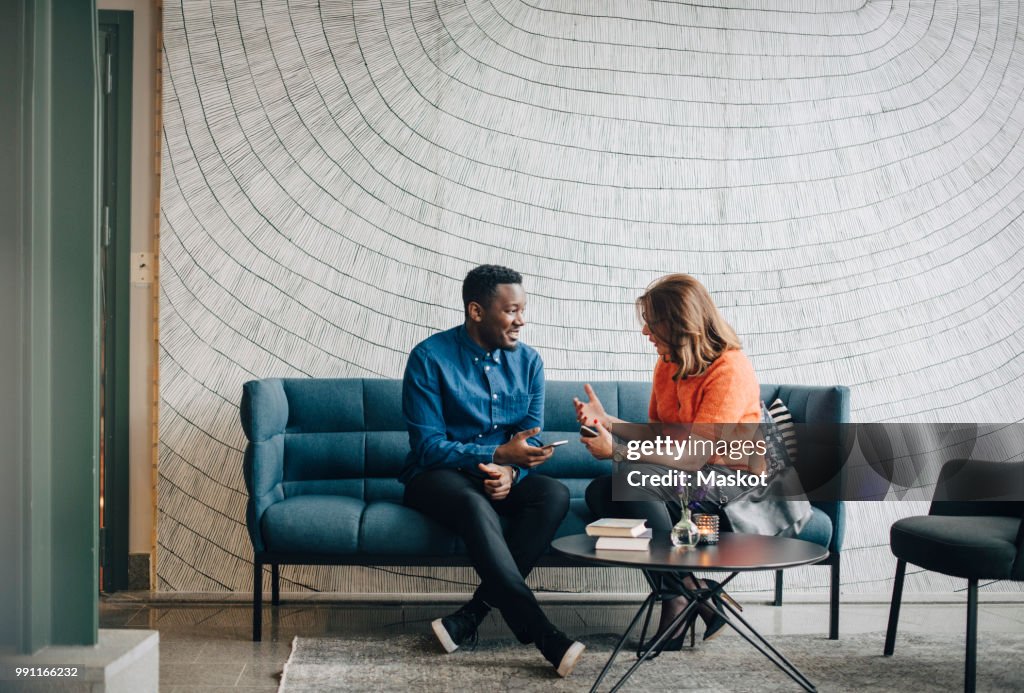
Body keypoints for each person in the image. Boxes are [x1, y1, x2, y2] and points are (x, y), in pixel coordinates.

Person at [401, 264, 586, 677]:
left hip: (499, 471)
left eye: (523, 310)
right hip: (436, 476)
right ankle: (542, 634)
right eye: (511, 310)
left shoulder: (530, 362)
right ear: (476, 311)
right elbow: (428, 448)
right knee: (472, 503)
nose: (521, 320)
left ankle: (470, 616)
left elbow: (531, 437)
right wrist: (498, 454)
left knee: (553, 494)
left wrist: (512, 472)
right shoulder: (429, 359)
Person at [577, 273, 761, 649]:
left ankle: (676, 600)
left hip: (730, 482)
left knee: (627, 475)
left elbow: (695, 456)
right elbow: (661, 435)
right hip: (684, 479)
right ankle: (692, 590)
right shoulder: (668, 363)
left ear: (681, 323)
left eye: (653, 322)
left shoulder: (729, 369)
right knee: (601, 492)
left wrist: (617, 450)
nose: (646, 331)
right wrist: (608, 421)